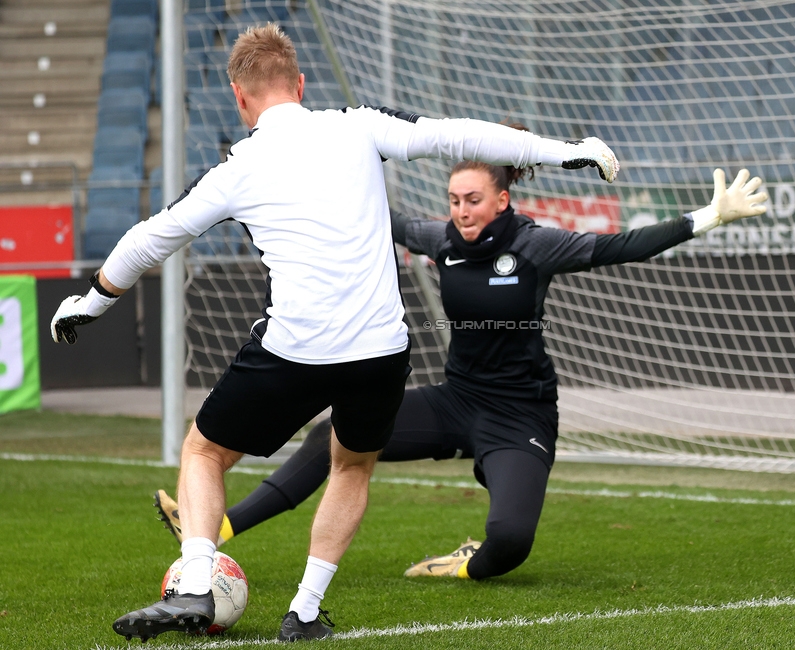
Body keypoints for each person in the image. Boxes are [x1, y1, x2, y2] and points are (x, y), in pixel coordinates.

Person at [50, 25, 621, 642]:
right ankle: (304, 610)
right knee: (351, 465)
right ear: (300, 84)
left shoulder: (235, 169)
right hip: (380, 352)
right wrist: (564, 152)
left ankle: (195, 585)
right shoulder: (359, 125)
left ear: (240, 98)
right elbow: (458, 132)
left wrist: (92, 301)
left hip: (295, 348)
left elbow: (150, 237)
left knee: (205, 452)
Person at [151, 124, 767, 585]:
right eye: (453, 200)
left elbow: (622, 246)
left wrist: (708, 216)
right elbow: (365, 214)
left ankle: (468, 563)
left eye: (472, 200)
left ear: (501, 199)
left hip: (519, 416)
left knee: (511, 542)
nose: (461, 211)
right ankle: (222, 525)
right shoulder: (442, 240)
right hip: (456, 401)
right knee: (330, 437)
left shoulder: (535, 245)